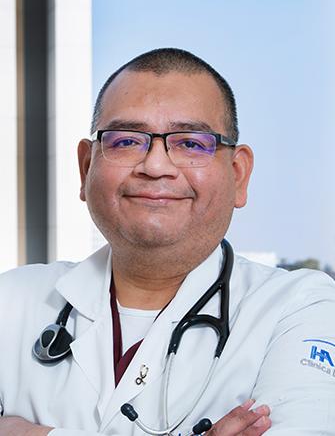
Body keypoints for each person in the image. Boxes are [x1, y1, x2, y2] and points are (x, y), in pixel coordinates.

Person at [0, 48, 334, 436]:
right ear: (86, 167)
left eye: (191, 143)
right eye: (126, 141)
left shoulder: (300, 308)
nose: (155, 167)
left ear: (239, 175)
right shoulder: (11, 302)